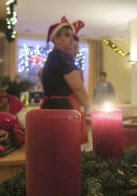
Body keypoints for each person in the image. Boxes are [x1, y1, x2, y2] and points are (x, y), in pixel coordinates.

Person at [41, 16, 90, 144]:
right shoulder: (61, 57)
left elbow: (41, 75)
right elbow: (78, 87)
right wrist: (88, 106)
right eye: (67, 35)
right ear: (56, 39)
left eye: (72, 36)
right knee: (68, 147)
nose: (71, 40)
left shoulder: (53, 57)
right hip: (63, 109)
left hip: (52, 107)